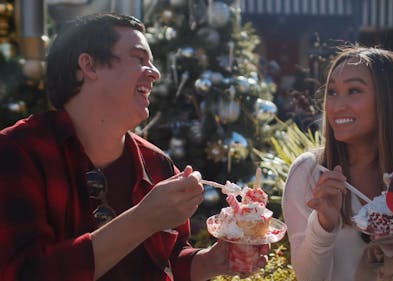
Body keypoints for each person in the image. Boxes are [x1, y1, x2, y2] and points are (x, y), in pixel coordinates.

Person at [0, 13, 267, 281]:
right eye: (139, 59)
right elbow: (25, 272)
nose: (156, 73)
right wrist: (142, 219)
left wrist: (210, 262)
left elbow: (169, 261)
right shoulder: (18, 152)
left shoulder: (158, 165)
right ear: (89, 66)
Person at [282, 46, 393, 281]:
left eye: (353, 90)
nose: (337, 105)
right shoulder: (309, 173)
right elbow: (307, 277)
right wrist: (324, 225)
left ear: (389, 100)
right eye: (332, 92)